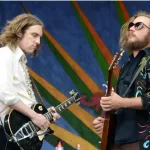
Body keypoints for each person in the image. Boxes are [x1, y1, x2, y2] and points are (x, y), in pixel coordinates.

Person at [0, 14, 60, 150]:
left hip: (18, 132)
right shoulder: (4, 54)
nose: (38, 41)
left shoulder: (20, 62)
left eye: (40, 37)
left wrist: (43, 114)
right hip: (5, 133)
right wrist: (34, 116)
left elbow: (20, 97)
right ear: (19, 32)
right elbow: (4, 93)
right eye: (34, 35)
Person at [93, 11, 150, 150]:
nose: (131, 28)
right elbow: (119, 104)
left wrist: (121, 102)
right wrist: (107, 122)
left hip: (141, 141)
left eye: (139, 25)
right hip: (117, 140)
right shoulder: (125, 66)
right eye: (131, 25)